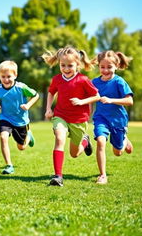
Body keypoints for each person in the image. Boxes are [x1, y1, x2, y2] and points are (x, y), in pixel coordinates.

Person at [42, 46, 100, 187]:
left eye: (70, 65)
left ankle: (85, 141)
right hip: (60, 115)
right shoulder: (57, 79)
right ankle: (58, 176)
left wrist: (82, 102)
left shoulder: (83, 80)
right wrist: (49, 108)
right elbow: (51, 93)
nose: (66, 69)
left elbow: (96, 96)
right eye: (63, 65)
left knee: (74, 153)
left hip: (79, 120)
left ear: (78, 65)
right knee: (59, 139)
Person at [0, 60, 39, 174]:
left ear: (15, 75)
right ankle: (9, 165)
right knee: (3, 137)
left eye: (9, 76)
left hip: (21, 121)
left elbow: (35, 95)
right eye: (3, 77)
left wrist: (28, 105)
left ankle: (29, 136)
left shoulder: (21, 87)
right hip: (5, 119)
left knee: (21, 147)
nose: (6, 80)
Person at [92, 50, 133, 185]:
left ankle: (124, 139)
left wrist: (111, 100)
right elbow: (88, 98)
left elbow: (129, 101)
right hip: (100, 118)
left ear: (116, 66)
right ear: (98, 66)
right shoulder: (94, 82)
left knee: (118, 152)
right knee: (101, 142)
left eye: (109, 67)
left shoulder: (119, 82)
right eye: (102, 67)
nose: (105, 70)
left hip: (118, 120)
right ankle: (102, 175)